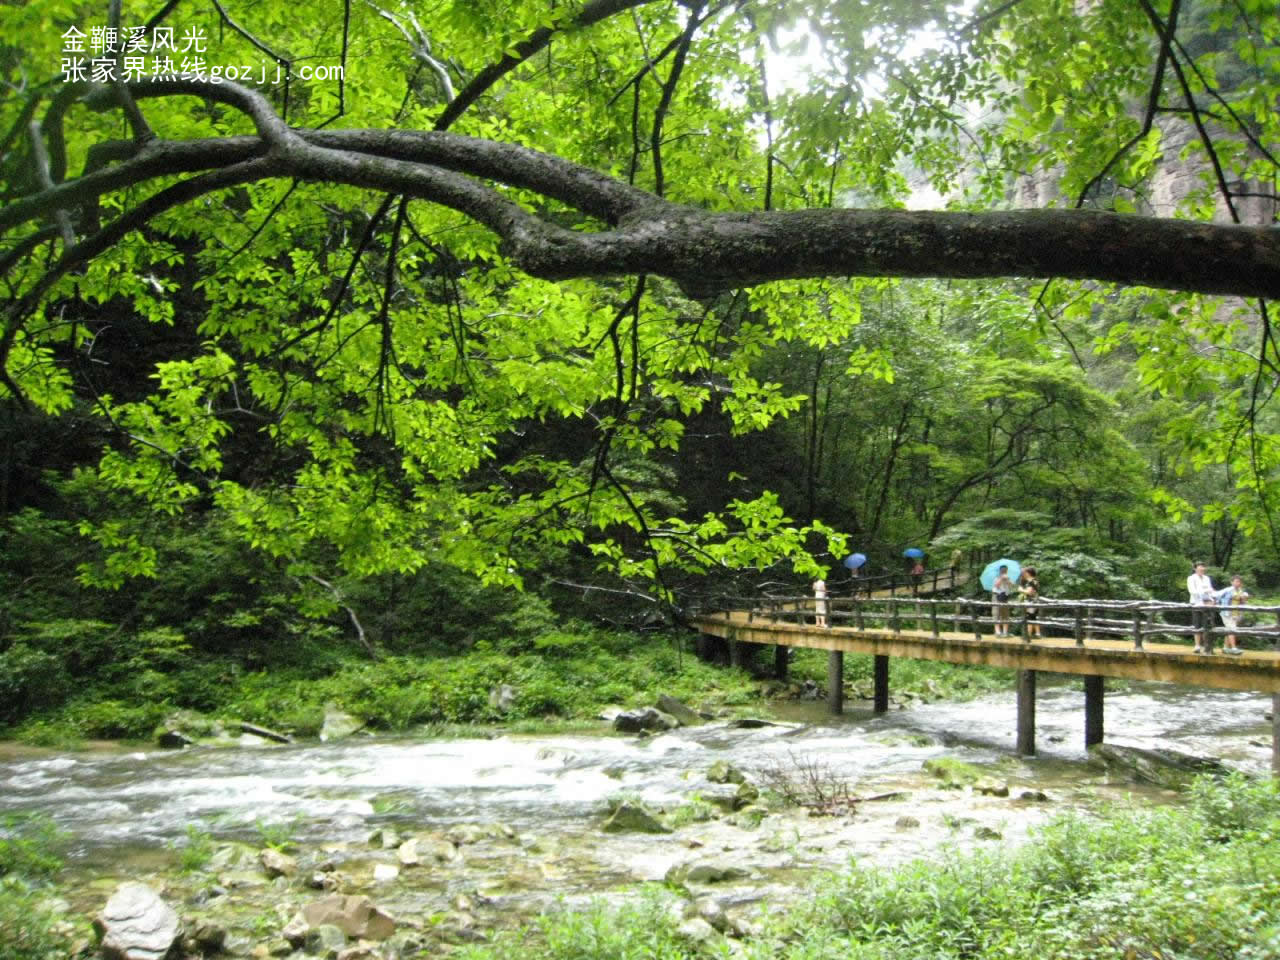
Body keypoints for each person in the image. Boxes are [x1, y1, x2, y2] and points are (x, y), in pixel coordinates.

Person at [1185, 562, 1216, 654]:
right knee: (1197, 624)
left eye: (1203, 567)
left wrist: (1212, 597)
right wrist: (1204, 591)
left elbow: (1211, 590)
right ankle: (1197, 645)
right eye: (1200, 567)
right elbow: (1192, 591)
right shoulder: (1191, 578)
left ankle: (1206, 645)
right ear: (1195, 569)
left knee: (1207, 624)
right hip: (1196, 603)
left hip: (1208, 604)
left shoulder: (1207, 578)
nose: (1202, 569)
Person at [1215, 575, 1248, 655]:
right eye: (1236, 581)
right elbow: (1216, 595)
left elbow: (1244, 603)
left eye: (1239, 581)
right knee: (1232, 629)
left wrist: (1243, 598)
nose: (1238, 583)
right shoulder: (1227, 590)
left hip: (1236, 613)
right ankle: (1233, 648)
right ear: (1231, 582)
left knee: (1229, 629)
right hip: (1226, 613)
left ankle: (1225, 648)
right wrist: (1217, 604)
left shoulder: (1241, 591)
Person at [991, 565, 1015, 638]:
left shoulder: (1008, 578)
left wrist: (1008, 581)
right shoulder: (996, 578)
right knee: (996, 613)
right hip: (997, 596)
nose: (1004, 571)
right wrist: (1001, 579)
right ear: (1000, 571)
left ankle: (1005, 632)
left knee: (1005, 614)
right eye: (1003, 570)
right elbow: (996, 586)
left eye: (1005, 570)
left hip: (1005, 596)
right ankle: (998, 632)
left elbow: (1012, 586)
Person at [1018, 567, 1041, 638]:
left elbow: (1029, 592)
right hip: (1034, 601)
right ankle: (1038, 634)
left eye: (1025, 573)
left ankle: (1028, 635)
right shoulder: (1034, 581)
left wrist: (1021, 590)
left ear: (1028, 573)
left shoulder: (1031, 582)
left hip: (1031, 602)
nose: (1023, 574)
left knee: (1030, 617)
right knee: (1034, 617)